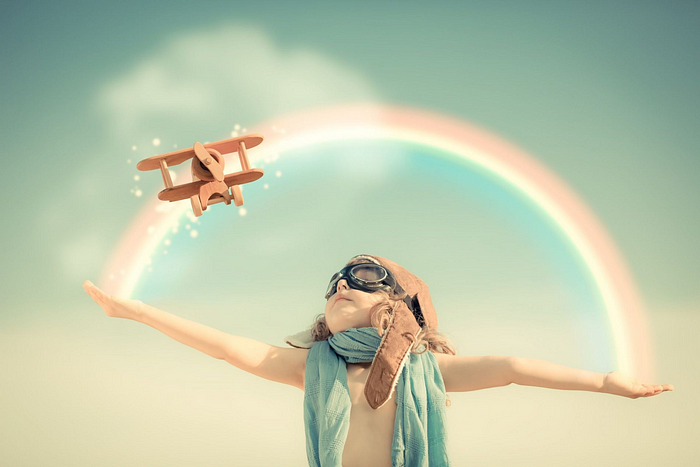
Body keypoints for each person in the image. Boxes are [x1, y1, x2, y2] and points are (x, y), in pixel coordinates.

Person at [83, 254, 674, 467]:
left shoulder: (425, 371)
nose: (342, 284)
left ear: (397, 305)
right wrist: (139, 313)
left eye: (361, 280)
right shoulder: (313, 367)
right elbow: (225, 346)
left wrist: (605, 381)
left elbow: (513, 366)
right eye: (334, 282)